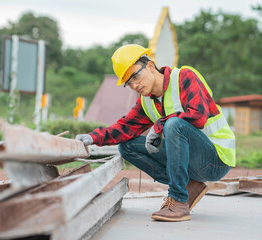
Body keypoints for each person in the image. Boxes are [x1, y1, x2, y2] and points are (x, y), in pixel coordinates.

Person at [76, 44, 235, 222]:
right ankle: (189, 186)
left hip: (216, 160)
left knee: (174, 124)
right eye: (129, 83)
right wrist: (93, 137)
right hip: (192, 163)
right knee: (127, 146)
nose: (134, 85)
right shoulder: (147, 102)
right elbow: (124, 128)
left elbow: (197, 115)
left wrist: (160, 125)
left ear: (150, 66)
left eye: (135, 76)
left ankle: (178, 201)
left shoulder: (184, 77)